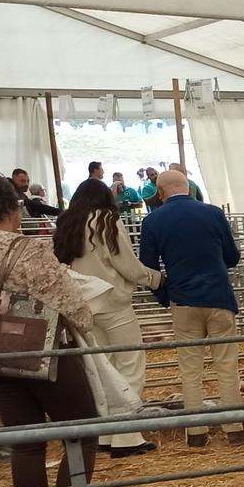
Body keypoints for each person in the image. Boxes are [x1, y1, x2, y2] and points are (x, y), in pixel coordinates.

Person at [0, 170, 101, 487]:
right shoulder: (27, 249)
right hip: (42, 350)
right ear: (12, 208)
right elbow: (70, 302)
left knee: (26, 443)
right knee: (82, 431)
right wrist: (85, 320)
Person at [138, 168, 244, 446]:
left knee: (189, 367)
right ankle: (234, 428)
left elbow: (148, 268)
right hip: (218, 296)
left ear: (160, 193)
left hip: (183, 299)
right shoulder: (213, 213)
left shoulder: (152, 221)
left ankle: (196, 434)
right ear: (189, 188)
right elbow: (232, 257)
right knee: (226, 363)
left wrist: (165, 296)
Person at [53, 179, 161, 456]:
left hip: (81, 303)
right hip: (112, 300)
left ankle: (105, 433)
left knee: (101, 369)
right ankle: (127, 437)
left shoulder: (66, 222)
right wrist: (155, 279)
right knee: (129, 361)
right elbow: (126, 263)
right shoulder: (106, 220)